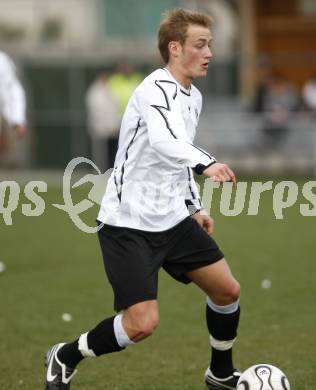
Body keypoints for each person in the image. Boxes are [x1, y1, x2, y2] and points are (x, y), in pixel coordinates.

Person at [44, 8, 241, 390]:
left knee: (227, 289)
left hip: (172, 219)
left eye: (210, 45)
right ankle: (66, 354)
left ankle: (220, 373)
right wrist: (209, 163)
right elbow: (168, 141)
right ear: (175, 48)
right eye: (200, 45)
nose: (209, 53)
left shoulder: (193, 97)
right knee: (142, 324)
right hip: (128, 223)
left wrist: (193, 205)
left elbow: (176, 154)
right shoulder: (153, 89)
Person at [85, 71, 121, 171]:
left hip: (112, 127)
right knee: (99, 152)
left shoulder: (111, 89)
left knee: (111, 151)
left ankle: (110, 170)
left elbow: (115, 106)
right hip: (99, 127)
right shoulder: (94, 91)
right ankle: (98, 170)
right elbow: (96, 109)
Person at [0, 50, 27, 166]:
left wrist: (17, 119)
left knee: (9, 160)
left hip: (3, 117)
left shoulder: (2, 61)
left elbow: (13, 91)